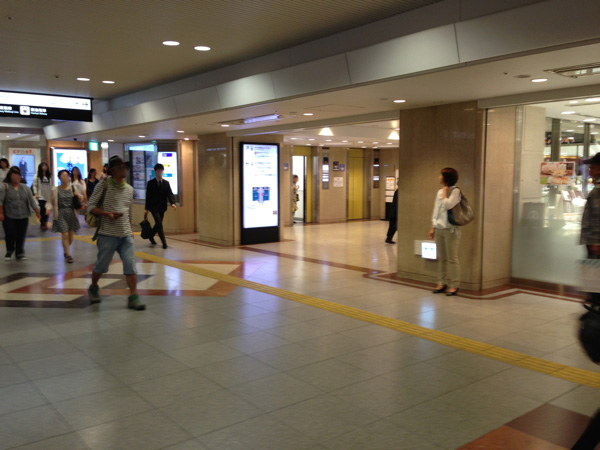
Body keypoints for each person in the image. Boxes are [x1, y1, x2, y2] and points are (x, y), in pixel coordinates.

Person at [87, 155, 145, 310]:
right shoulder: (103, 186)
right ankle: (93, 286)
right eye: (120, 167)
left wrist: (130, 230)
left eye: (125, 167)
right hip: (107, 234)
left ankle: (133, 297)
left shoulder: (129, 189)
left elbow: (129, 211)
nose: (124, 169)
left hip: (125, 235)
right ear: (112, 170)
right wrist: (107, 214)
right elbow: (90, 207)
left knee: (131, 266)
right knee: (101, 266)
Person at [572, 153, 600, 450]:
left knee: (595, 304)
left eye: (593, 165)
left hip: (597, 255)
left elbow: (595, 233)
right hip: (594, 255)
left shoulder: (599, 192)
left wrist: (594, 251)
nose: (590, 168)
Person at [428, 167, 462, 296]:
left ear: (446, 178)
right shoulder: (439, 192)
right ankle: (441, 283)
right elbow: (436, 211)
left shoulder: (455, 191)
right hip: (440, 228)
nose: (439, 177)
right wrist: (433, 227)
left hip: (451, 230)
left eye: (441, 175)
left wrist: (445, 192)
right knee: (441, 258)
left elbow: (448, 205)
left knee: (452, 258)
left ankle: (454, 285)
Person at [0, 166, 41, 261]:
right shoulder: (5, 187)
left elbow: (32, 201)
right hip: (9, 215)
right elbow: (0, 201)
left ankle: (19, 252)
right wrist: (1, 213)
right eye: (14, 175)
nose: (16, 177)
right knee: (10, 234)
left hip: (23, 215)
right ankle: (9, 251)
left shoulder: (25, 187)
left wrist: (37, 212)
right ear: (10, 176)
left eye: (18, 175)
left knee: (21, 234)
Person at [49, 170, 82, 264]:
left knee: (71, 236)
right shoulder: (55, 190)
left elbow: (81, 198)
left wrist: (78, 196)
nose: (66, 178)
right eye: (63, 176)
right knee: (65, 234)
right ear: (59, 178)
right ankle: (68, 254)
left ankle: (65, 249)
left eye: (67, 176)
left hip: (71, 213)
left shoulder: (73, 188)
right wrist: (48, 209)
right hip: (61, 213)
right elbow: (51, 201)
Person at [144, 163, 176, 249]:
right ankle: (164, 242)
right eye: (158, 171)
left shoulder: (166, 183)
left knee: (158, 223)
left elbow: (170, 194)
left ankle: (151, 236)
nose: (160, 172)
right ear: (155, 171)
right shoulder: (151, 183)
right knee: (159, 223)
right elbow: (148, 196)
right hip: (153, 207)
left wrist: (172, 203)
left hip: (162, 207)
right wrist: (146, 209)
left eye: (161, 171)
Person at [32, 162, 52, 230]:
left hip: (48, 195)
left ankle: (45, 222)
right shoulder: (37, 176)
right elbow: (34, 185)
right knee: (43, 208)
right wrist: (35, 193)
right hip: (41, 195)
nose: (44, 167)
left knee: (47, 209)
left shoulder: (49, 176)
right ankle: (42, 222)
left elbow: (51, 186)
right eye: (43, 166)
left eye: (46, 165)